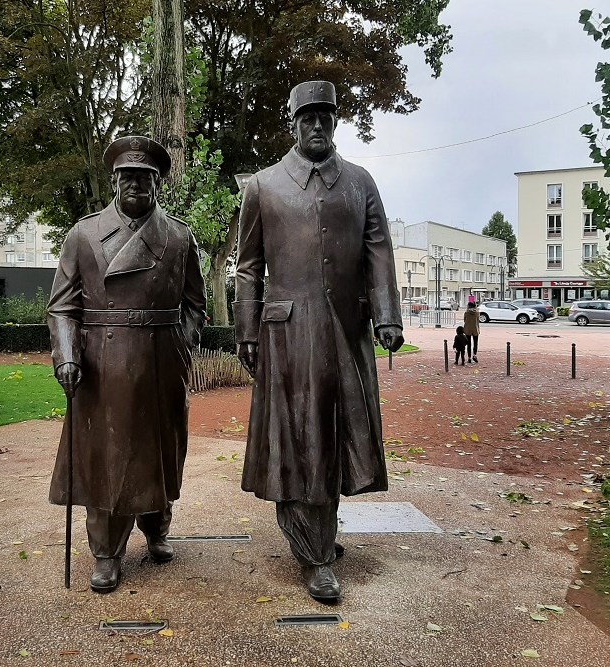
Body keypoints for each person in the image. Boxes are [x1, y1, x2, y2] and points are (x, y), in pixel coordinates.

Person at [233, 80, 405, 602]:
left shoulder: (359, 182)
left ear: (335, 122)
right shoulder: (262, 186)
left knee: (339, 434)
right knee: (303, 437)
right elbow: (247, 267)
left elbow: (379, 252)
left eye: (324, 116)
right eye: (306, 117)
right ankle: (314, 553)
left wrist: (387, 316)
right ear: (292, 123)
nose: (316, 125)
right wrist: (246, 329)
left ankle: (319, 526)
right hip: (287, 332)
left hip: (346, 332)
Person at [47, 135, 207, 593]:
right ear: (115, 181)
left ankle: (157, 529)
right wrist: (68, 356)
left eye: (146, 177)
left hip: (160, 360)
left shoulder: (178, 235)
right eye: (128, 176)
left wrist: (182, 342)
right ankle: (106, 552)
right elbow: (62, 307)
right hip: (103, 362)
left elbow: (196, 301)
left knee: (159, 451)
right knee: (107, 458)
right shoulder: (83, 234)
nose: (137, 184)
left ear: (157, 182)